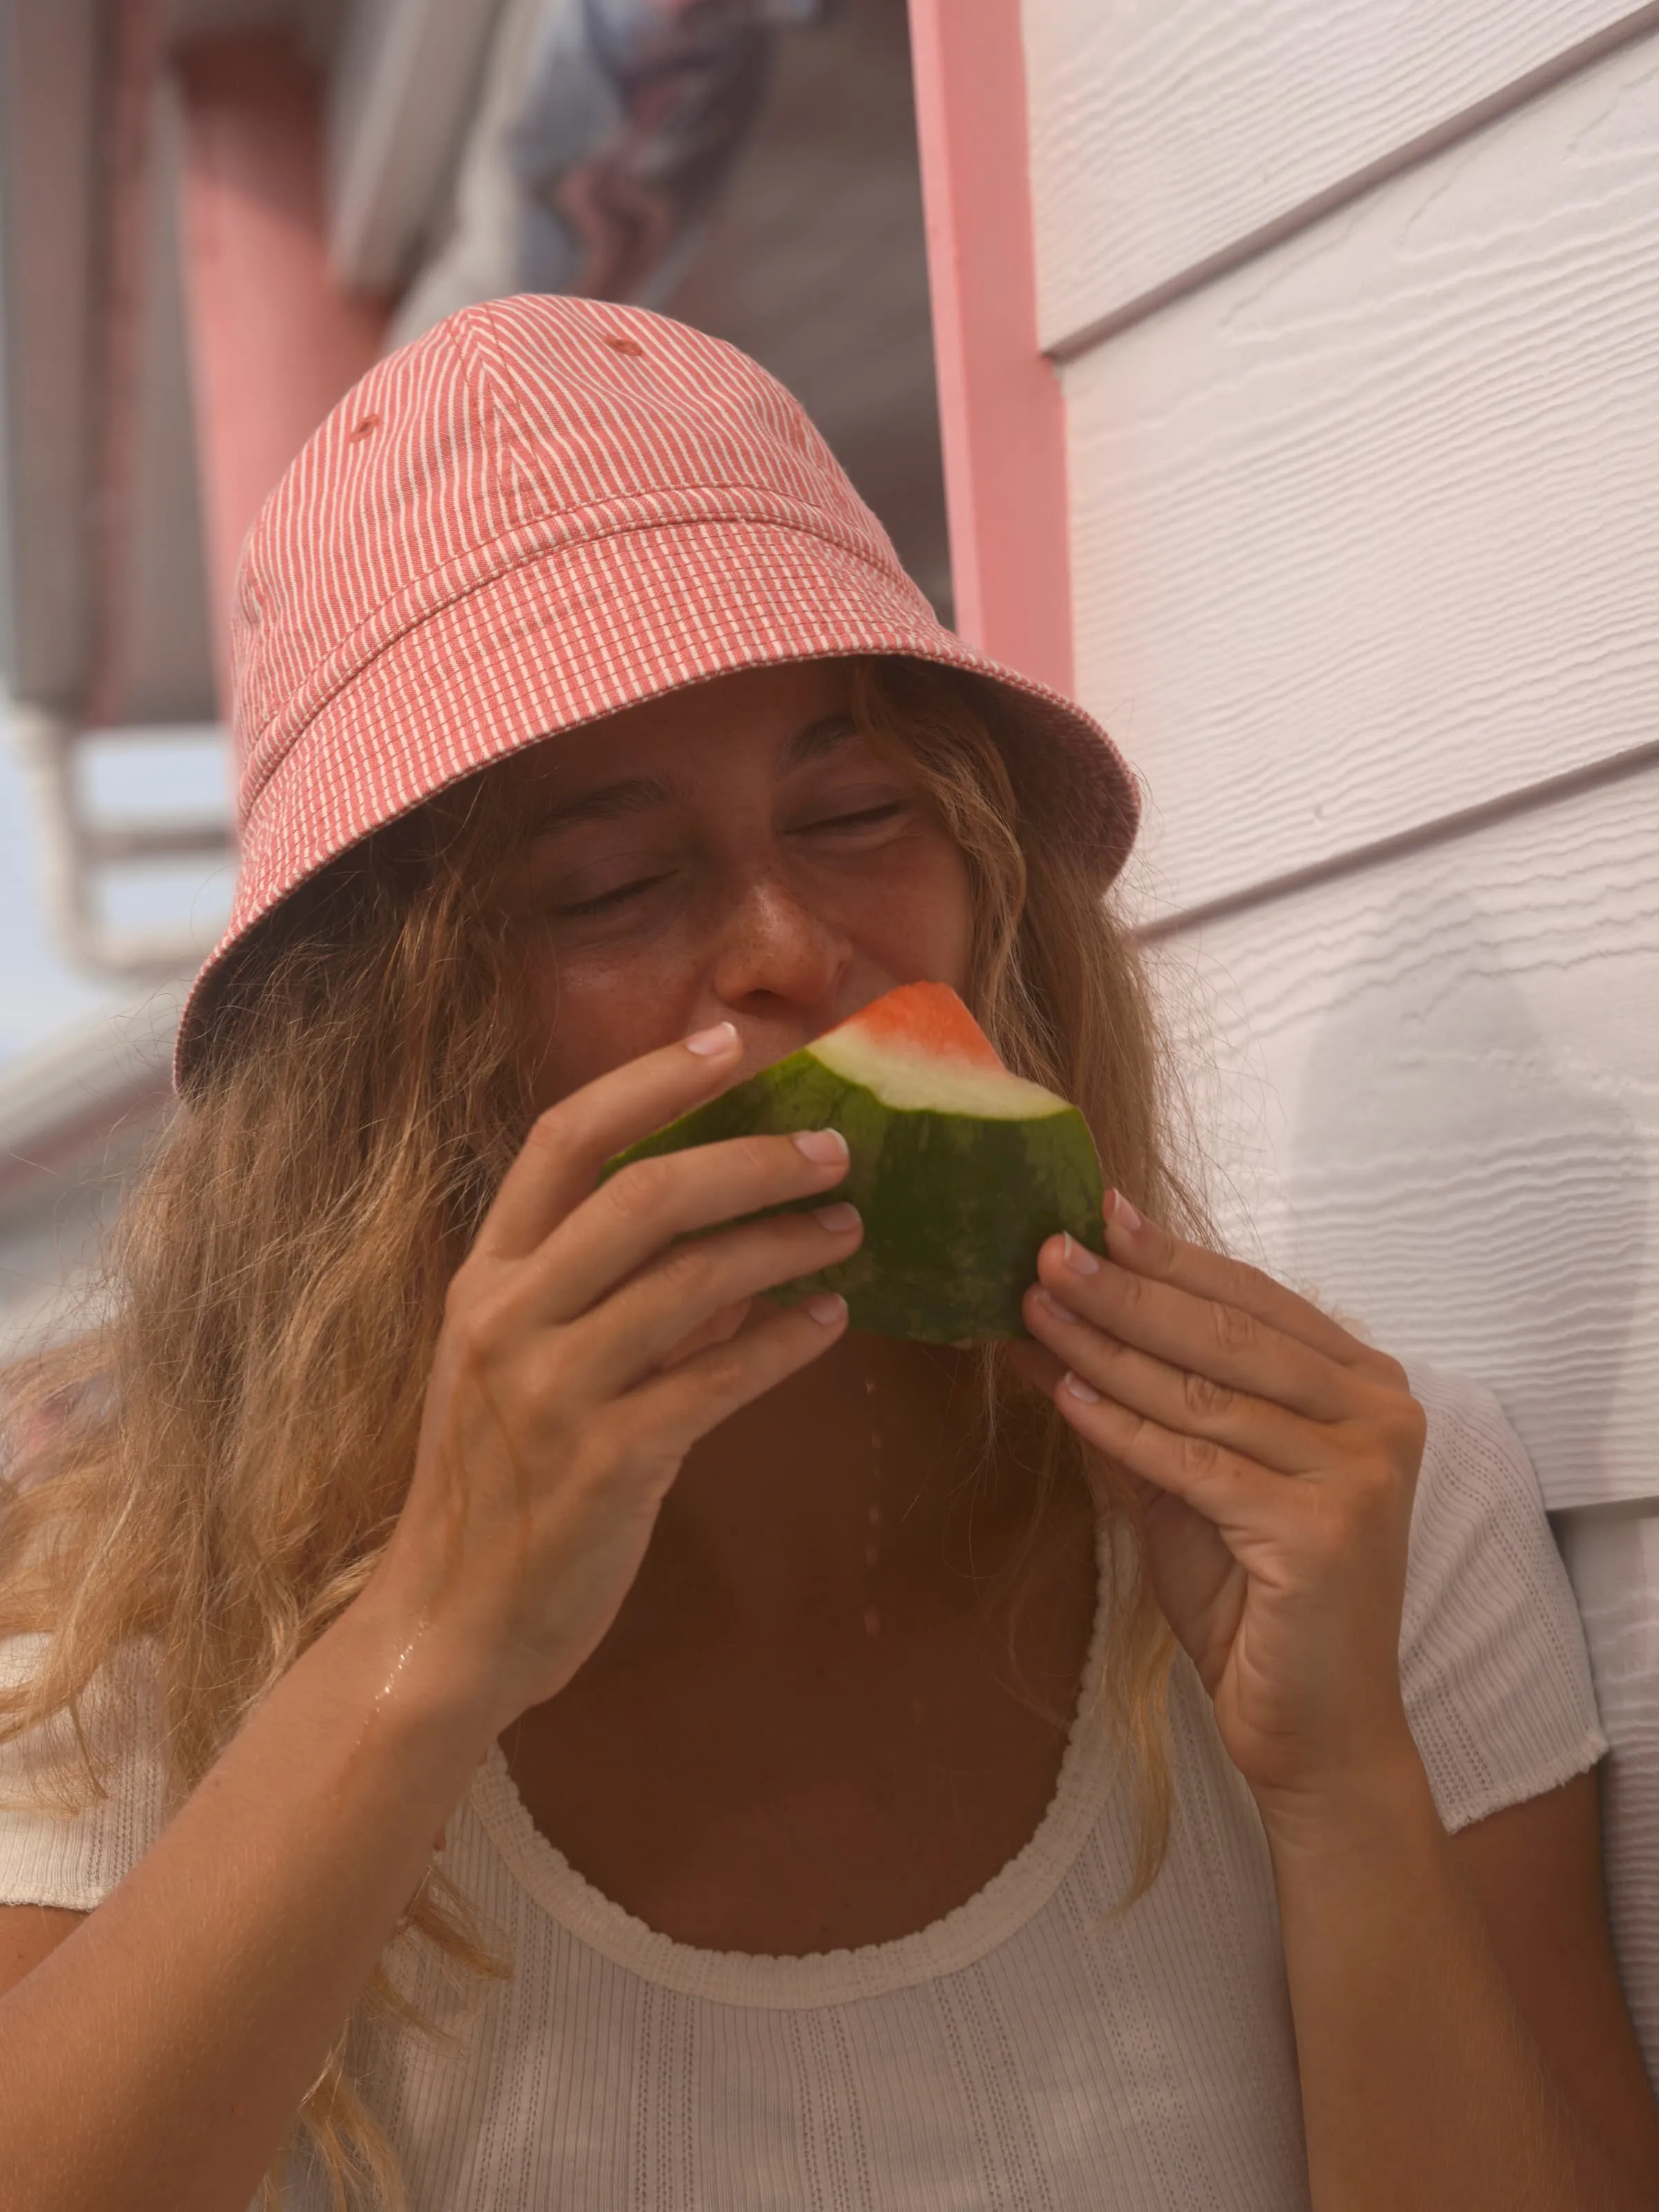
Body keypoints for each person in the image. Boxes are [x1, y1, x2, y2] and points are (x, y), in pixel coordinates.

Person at [0, 294, 1653, 2212]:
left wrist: (1340, 1776)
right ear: (399, 1065)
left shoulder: (1356, 1521)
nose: (791, 939)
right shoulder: (139, 1630)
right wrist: (426, 1648)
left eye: (864, 809)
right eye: (615, 884)